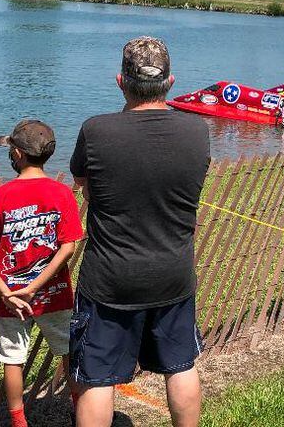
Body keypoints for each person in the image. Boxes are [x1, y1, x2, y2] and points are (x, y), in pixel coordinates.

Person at [69, 36, 210, 427]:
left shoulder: (96, 130)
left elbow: (84, 182)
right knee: (180, 364)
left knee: (98, 376)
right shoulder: (197, 132)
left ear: (120, 81)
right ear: (170, 82)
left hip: (110, 278)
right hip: (173, 273)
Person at [0, 119, 84, 427]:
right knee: (69, 353)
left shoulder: (2, 195)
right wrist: (37, 286)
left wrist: (6, 290)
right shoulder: (61, 193)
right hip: (54, 295)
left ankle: (19, 422)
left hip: (11, 298)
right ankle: (79, 410)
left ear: (17, 154)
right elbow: (68, 246)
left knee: (12, 358)